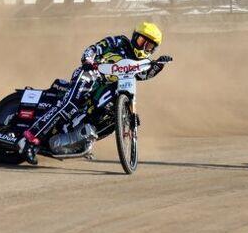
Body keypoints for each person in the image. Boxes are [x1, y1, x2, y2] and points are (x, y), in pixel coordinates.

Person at [16, 22, 170, 163]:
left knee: (113, 120)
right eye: (142, 41)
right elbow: (94, 48)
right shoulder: (119, 41)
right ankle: (28, 140)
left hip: (106, 87)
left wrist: (157, 67)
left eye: (149, 46)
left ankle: (80, 142)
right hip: (90, 75)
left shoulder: (139, 62)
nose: (143, 47)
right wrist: (88, 60)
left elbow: (142, 75)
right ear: (135, 37)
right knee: (70, 105)